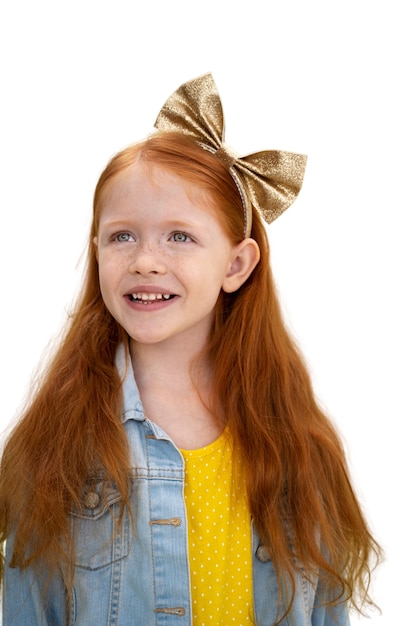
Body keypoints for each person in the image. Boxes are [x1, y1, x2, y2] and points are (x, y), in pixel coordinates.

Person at [0, 73, 381, 625]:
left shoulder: (294, 438)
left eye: (179, 236)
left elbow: (326, 607)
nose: (146, 260)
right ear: (97, 251)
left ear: (236, 264)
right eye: (122, 235)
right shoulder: (59, 442)